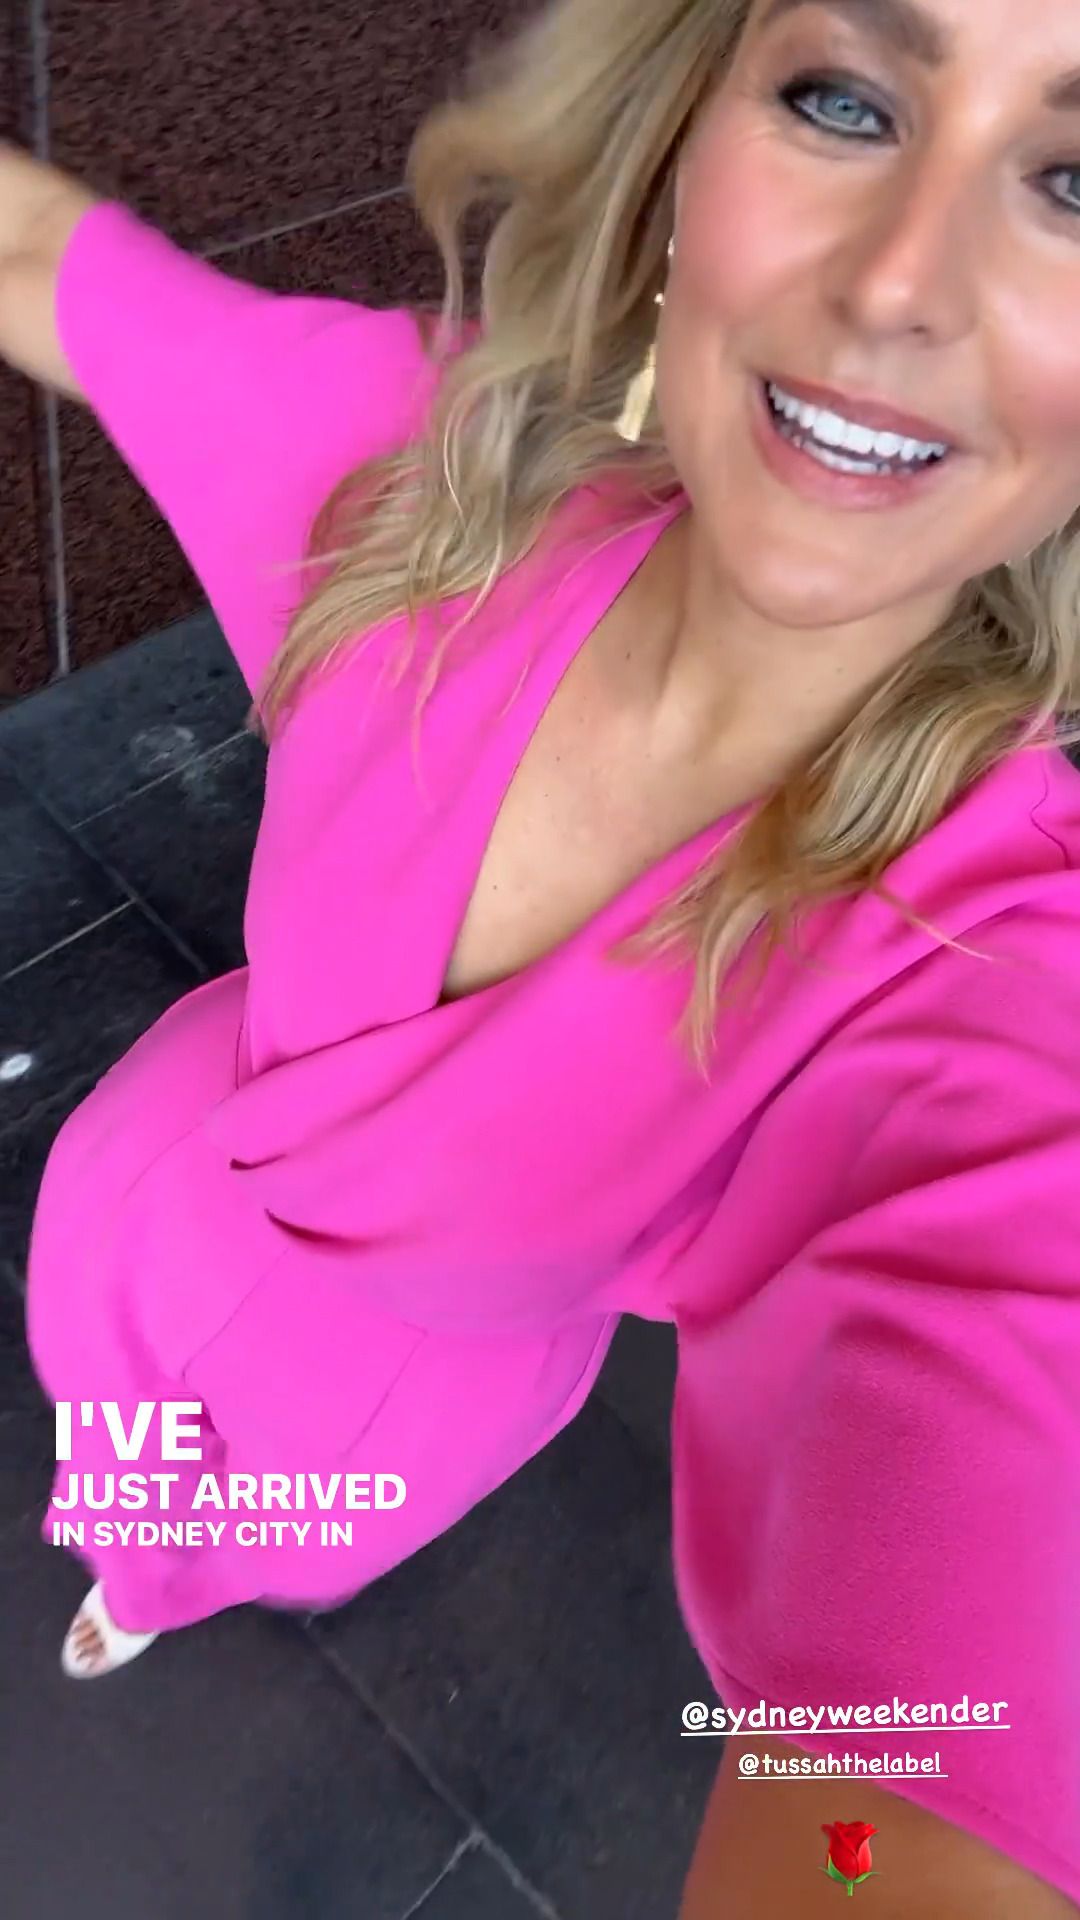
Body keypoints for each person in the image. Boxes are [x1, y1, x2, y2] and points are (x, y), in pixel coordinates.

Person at [3, 0, 1080, 1909]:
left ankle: (158, 1583)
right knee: (107, 1443)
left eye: (1075, 186)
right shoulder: (434, 481)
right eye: (843, 100)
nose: (899, 284)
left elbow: (940, 1752)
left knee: (202, 1536)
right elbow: (44, 260)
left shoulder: (986, 958)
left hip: (380, 1419)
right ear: (679, 154)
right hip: (141, 1196)